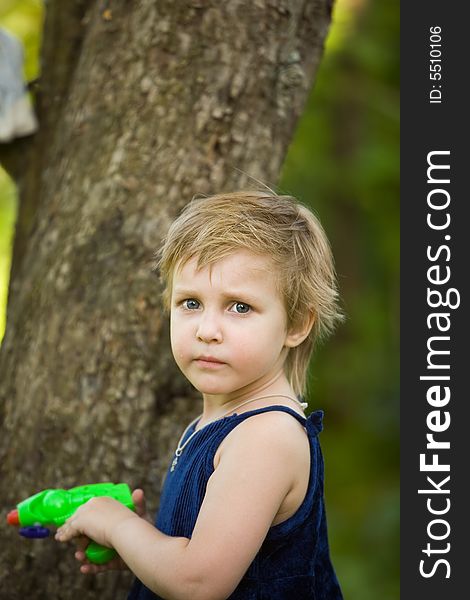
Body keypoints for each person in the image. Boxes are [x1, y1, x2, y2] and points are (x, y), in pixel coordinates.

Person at [55, 191, 344, 599]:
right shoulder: (213, 423)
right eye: (191, 302)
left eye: (239, 307)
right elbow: (199, 557)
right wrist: (139, 547)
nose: (207, 329)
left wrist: (118, 525)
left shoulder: (266, 436)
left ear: (296, 324)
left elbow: (198, 583)